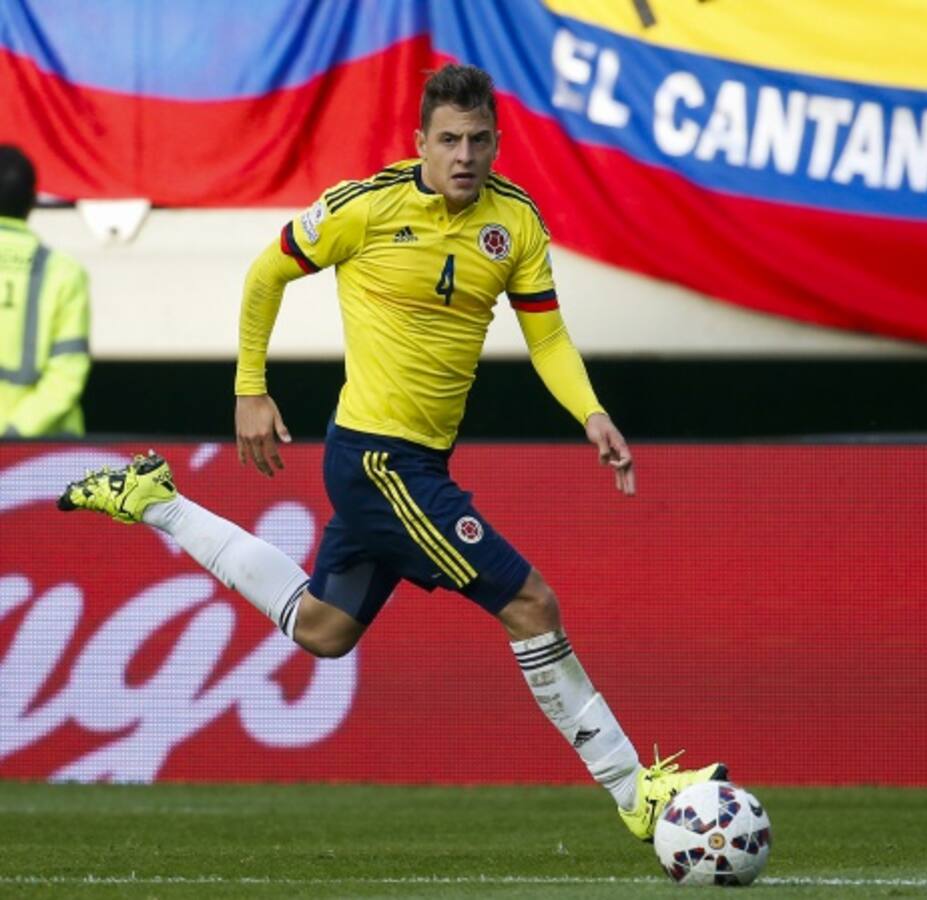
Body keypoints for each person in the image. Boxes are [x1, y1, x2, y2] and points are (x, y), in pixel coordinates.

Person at [59, 64, 724, 840]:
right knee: (531, 604)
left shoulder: (515, 223)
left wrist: (592, 411)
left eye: (479, 140)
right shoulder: (365, 207)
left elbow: (546, 336)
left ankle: (157, 502)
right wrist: (250, 389)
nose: (464, 155)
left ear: (497, 143)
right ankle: (634, 793)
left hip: (419, 463)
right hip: (378, 461)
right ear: (421, 143)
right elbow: (267, 272)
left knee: (323, 629)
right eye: (449, 140)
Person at [0, 145, 91, 438]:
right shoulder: (64, 272)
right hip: (45, 451)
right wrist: (12, 438)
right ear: (32, 202)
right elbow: (67, 375)